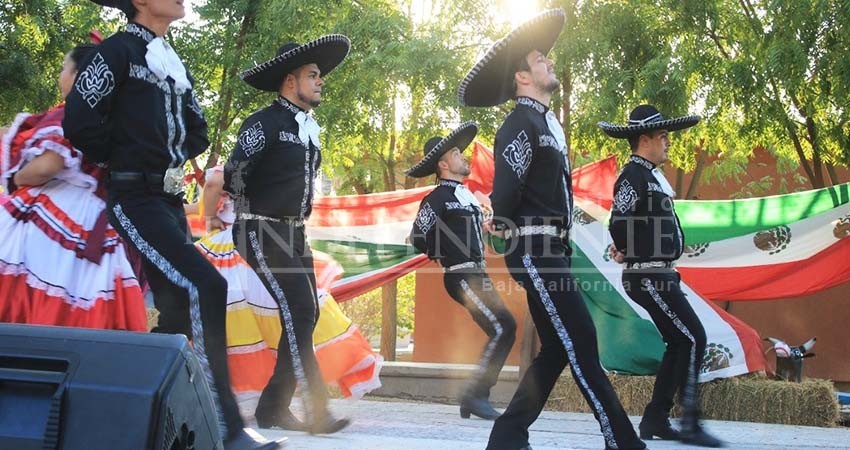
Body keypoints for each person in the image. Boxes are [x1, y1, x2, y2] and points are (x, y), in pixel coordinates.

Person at [62, 1, 283, 449]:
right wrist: (127, 157)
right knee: (207, 286)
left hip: (167, 199)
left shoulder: (171, 59)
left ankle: (145, 424)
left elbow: (197, 131)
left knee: (179, 313)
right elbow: (78, 120)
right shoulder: (115, 53)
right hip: (133, 196)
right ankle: (228, 427)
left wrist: (165, 153)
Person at [458, 9, 646, 450]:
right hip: (534, 250)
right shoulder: (519, 125)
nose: (550, 63)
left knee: (559, 349)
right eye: (541, 59)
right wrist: (503, 226)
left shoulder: (545, 122)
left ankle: (507, 436)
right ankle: (622, 440)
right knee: (582, 339)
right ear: (522, 77)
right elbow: (505, 195)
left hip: (552, 251)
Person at [224, 35, 352, 434]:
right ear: (290, 80)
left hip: (296, 235)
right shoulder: (264, 123)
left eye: (320, 76)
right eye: (313, 75)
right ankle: (317, 409)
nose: (321, 81)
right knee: (298, 310)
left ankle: (272, 408)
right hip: (260, 230)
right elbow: (233, 173)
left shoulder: (309, 129)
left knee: (306, 314)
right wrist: (254, 212)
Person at [195, 167, 382, 422]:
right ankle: (287, 405)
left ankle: (251, 401)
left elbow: (214, 184)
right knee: (290, 316)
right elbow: (215, 182)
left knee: (237, 322)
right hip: (258, 244)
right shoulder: (268, 163)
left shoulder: (246, 159)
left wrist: (209, 216)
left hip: (241, 245)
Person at [599, 105, 724, 447]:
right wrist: (630, 249)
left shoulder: (652, 176)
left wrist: (631, 246)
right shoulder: (633, 176)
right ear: (644, 139)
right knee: (694, 337)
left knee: (680, 341)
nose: (669, 142)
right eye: (664, 136)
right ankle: (690, 422)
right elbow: (619, 221)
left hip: (661, 275)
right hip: (648, 276)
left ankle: (655, 419)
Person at [0, 39, 146, 331]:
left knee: (21, 301)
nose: (60, 76)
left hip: (56, 213)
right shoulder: (122, 124)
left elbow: (48, 166)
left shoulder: (77, 113)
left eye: (64, 68)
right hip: (98, 227)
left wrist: (16, 179)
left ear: (80, 76)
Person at [407, 122, 517, 420]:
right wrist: (445, 251)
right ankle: (475, 394)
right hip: (461, 276)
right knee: (501, 327)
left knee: (505, 328)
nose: (463, 156)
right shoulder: (437, 198)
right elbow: (418, 236)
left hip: (477, 275)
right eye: (457, 153)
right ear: (443, 164)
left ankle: (475, 395)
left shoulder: (466, 196)